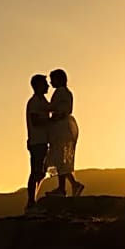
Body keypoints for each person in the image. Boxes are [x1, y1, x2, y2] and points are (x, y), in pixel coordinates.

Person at [45, 68, 84, 197]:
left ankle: (62, 188)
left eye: (53, 79)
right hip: (66, 126)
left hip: (61, 127)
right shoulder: (67, 92)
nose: (51, 83)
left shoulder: (60, 92)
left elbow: (58, 109)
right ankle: (73, 184)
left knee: (60, 157)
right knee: (63, 158)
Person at [25, 73, 51, 212]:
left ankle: (32, 201)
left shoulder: (42, 100)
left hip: (42, 141)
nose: (48, 86)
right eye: (45, 83)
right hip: (37, 141)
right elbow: (35, 121)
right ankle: (31, 203)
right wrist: (51, 120)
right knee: (36, 171)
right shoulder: (35, 102)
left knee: (41, 172)